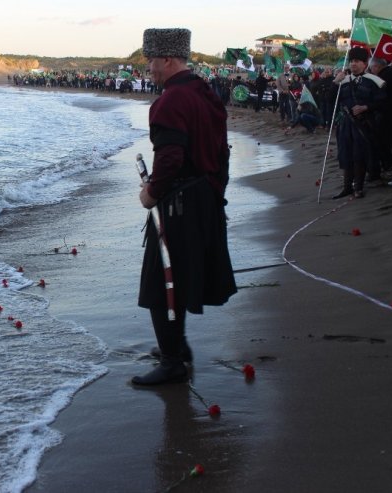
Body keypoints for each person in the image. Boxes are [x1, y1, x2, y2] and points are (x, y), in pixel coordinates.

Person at [133, 27, 237, 386]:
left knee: (161, 285)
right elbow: (222, 154)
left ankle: (173, 361)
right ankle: (177, 347)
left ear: (168, 58)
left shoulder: (171, 100)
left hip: (179, 203)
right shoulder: (205, 92)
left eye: (151, 61)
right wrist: (216, 195)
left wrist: (151, 193)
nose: (149, 69)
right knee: (175, 279)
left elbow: (171, 158)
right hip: (203, 196)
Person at [330, 47, 386, 199]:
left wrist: (365, 107)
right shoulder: (343, 81)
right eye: (351, 61)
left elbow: (382, 102)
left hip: (363, 124)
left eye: (357, 61)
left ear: (365, 63)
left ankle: (358, 188)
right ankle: (347, 187)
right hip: (345, 124)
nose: (353, 64)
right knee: (345, 154)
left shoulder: (374, 82)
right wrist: (335, 82)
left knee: (359, 155)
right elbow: (329, 100)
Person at [368, 57, 392, 173]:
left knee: (382, 140)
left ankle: (389, 162)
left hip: (387, 112)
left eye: (371, 68)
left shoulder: (382, 77)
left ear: (377, 66)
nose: (371, 70)